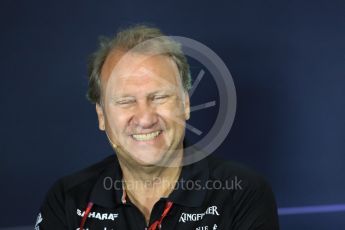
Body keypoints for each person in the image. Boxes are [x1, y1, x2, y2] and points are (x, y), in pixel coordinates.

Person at [36, 25, 279, 229]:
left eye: (159, 97)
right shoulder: (67, 199)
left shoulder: (241, 194)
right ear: (101, 116)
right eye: (125, 101)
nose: (145, 118)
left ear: (185, 104)